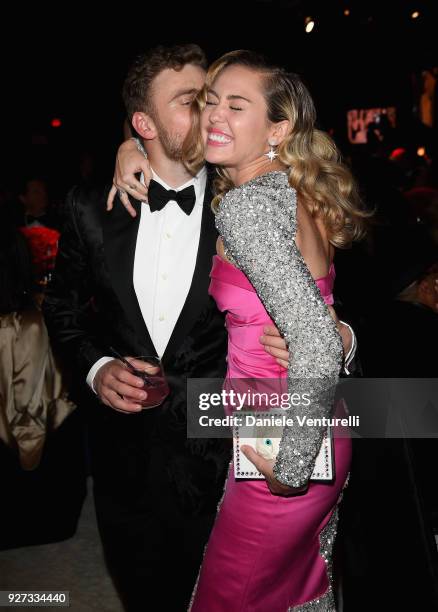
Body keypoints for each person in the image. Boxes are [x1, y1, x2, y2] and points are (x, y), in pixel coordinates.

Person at [42, 44, 294, 612]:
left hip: (229, 449)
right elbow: (61, 307)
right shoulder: (89, 207)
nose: (209, 113)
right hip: (123, 456)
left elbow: (314, 285)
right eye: (191, 101)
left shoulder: (246, 199)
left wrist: (341, 332)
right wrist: (96, 366)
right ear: (143, 124)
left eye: (213, 98)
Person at [111, 49, 364, 611]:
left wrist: (290, 467)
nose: (215, 117)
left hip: (282, 435)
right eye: (209, 103)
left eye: (237, 105)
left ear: (277, 127)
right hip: (325, 419)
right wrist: (130, 146)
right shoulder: (294, 190)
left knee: (232, 597)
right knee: (301, 590)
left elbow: (318, 341)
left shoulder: (247, 207)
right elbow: (320, 312)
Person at [0, 222, 84, 549]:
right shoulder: (27, 321)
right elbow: (26, 411)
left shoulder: (27, 322)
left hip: (28, 447)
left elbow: (29, 411)